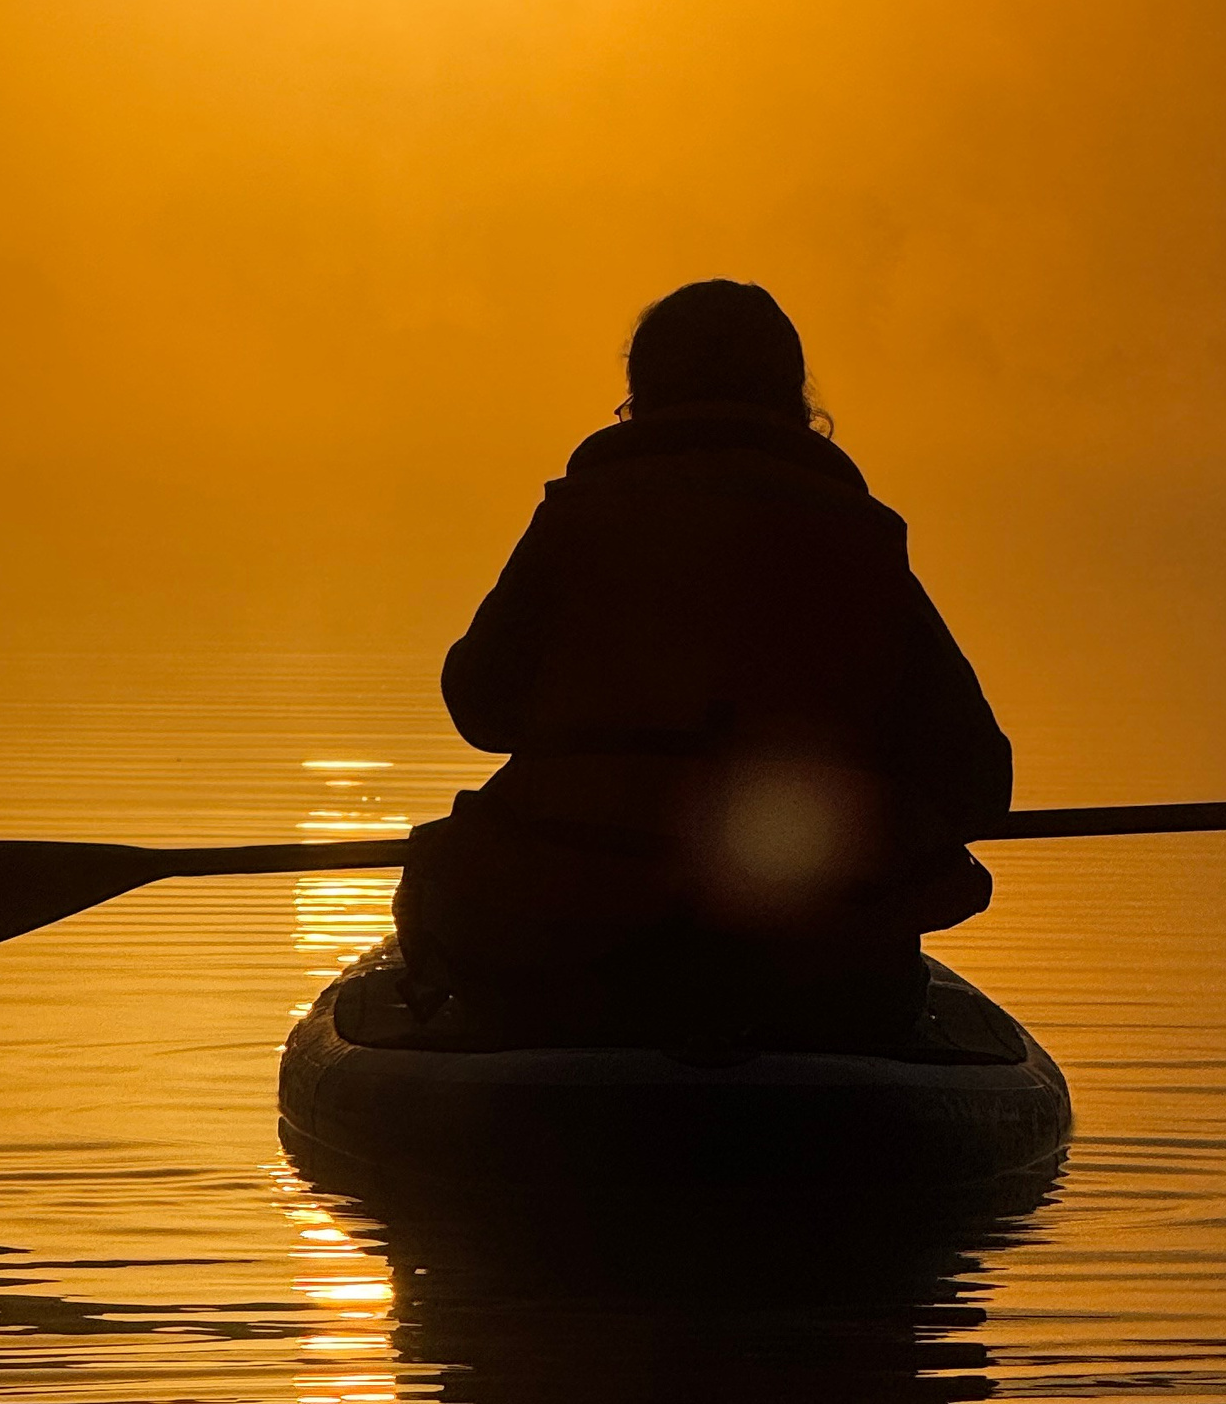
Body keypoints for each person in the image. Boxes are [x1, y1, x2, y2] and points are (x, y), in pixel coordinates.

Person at [394, 280, 1007, 1051]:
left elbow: (479, 708)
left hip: (569, 951)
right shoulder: (857, 539)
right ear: (795, 402)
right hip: (801, 970)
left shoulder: (580, 520)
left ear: (639, 397)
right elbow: (981, 781)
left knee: (442, 867)